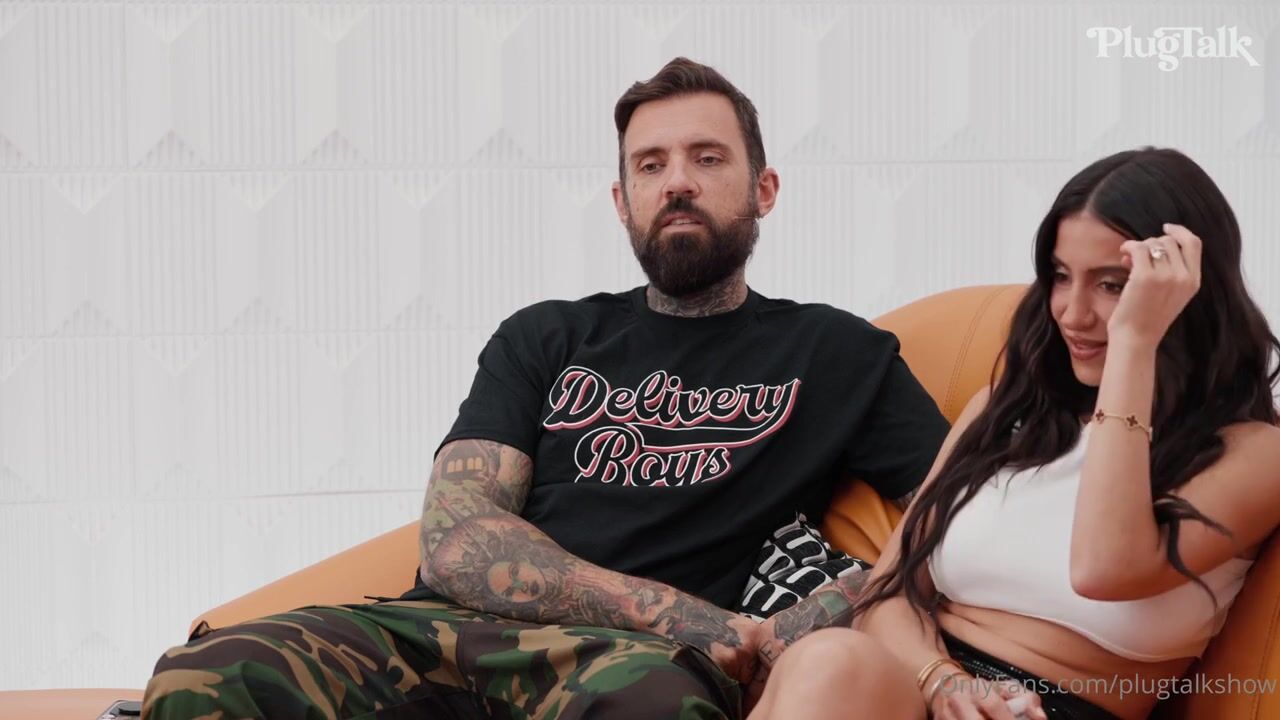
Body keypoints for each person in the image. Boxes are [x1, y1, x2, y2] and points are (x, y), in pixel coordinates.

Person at [141, 57, 950, 719]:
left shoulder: (838, 352)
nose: (677, 182)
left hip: (633, 669)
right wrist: (688, 615)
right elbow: (457, 535)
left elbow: (959, 520)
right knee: (210, 674)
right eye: (650, 165)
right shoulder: (547, 335)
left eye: (707, 158)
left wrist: (794, 623)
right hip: (443, 634)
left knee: (656, 710)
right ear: (622, 202)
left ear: (763, 188)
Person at [748, 148, 1280, 720]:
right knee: (829, 659)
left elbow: (1102, 567)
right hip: (925, 686)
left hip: (1052, 709)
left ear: (1182, 290)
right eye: (1060, 276)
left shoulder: (1254, 453)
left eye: (1112, 284)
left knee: (831, 664)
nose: (1073, 313)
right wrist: (944, 682)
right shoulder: (1005, 412)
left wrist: (1135, 344)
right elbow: (888, 593)